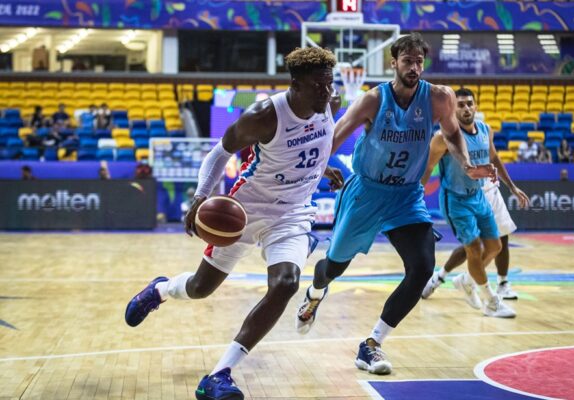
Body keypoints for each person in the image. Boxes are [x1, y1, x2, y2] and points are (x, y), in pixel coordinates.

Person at [125, 47, 342, 400]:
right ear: (295, 85)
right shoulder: (264, 115)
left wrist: (322, 168)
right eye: (318, 85)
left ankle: (218, 375)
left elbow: (320, 139)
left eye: (329, 83)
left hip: (292, 213)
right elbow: (219, 152)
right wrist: (199, 197)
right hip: (246, 209)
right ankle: (161, 290)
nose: (327, 91)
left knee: (286, 283)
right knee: (200, 288)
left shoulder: (329, 103)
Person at [294, 34, 495, 375]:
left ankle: (371, 345)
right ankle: (315, 292)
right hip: (367, 193)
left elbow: (451, 135)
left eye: (419, 61)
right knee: (333, 268)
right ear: (394, 63)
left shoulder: (439, 98)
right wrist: (319, 169)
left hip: (406, 196)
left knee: (421, 267)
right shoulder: (373, 100)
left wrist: (465, 162)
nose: (414, 67)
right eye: (408, 61)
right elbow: (336, 134)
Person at [416, 88, 527, 319]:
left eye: (469, 104)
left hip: (479, 195)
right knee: (474, 248)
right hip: (456, 200)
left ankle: (467, 280)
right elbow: (427, 168)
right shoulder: (443, 137)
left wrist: (512, 186)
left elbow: (494, 158)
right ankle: (491, 302)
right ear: (452, 108)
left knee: (495, 247)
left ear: (475, 107)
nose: (466, 108)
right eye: (461, 105)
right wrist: (415, 199)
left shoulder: (486, 130)